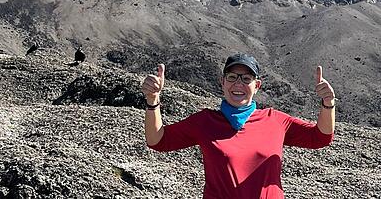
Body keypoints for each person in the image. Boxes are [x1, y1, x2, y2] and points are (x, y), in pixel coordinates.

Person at [141, 53, 336, 198]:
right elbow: (158, 140)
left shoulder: (276, 121)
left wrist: (328, 103)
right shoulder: (204, 122)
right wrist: (153, 100)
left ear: (257, 86)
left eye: (246, 79)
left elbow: (321, 137)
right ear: (222, 82)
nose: (238, 84)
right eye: (232, 77)